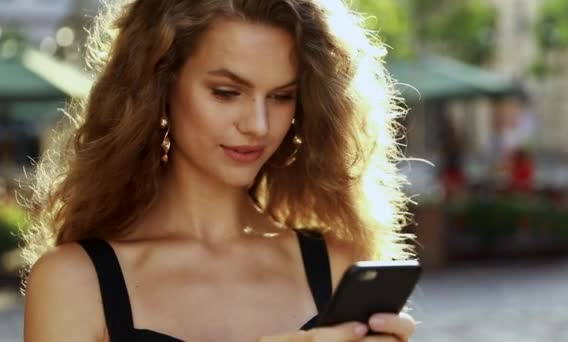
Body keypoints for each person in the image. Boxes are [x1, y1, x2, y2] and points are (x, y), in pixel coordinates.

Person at [22, 0, 417, 341]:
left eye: (281, 97)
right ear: (158, 86)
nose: (258, 125)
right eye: (227, 93)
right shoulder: (74, 283)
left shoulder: (338, 265)